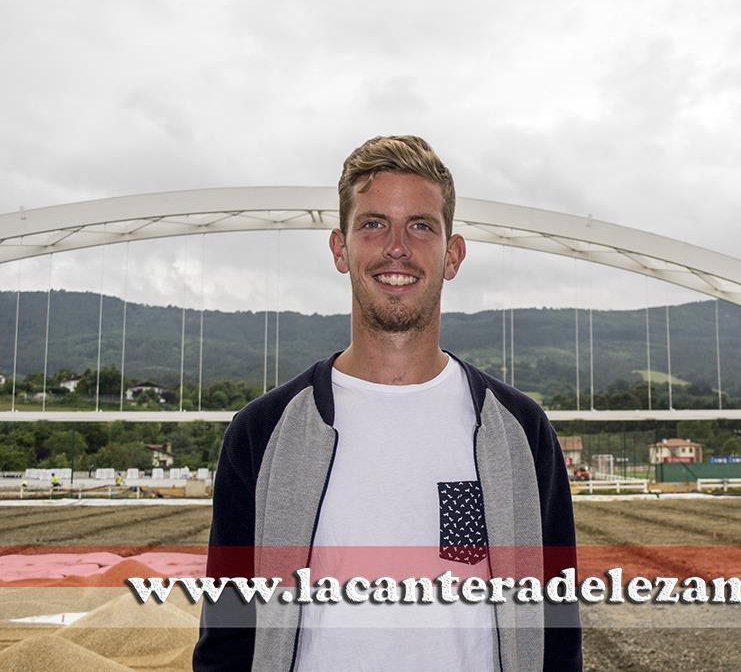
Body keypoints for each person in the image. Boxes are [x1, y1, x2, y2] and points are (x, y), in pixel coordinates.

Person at [194, 136, 581, 671]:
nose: (396, 246)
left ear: (453, 254)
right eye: (373, 224)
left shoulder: (519, 432)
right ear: (339, 248)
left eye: (420, 225)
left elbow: (557, 633)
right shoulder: (264, 433)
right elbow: (228, 640)